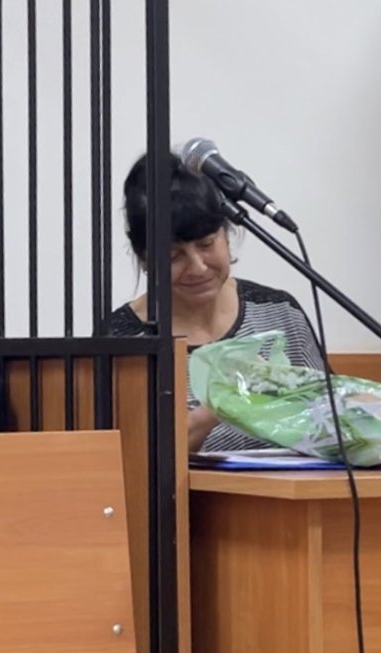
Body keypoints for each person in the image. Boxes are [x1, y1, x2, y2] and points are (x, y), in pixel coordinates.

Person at [107, 152, 324, 453]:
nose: (197, 267)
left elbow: (332, 423)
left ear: (227, 235)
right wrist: (219, 402)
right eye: (173, 255)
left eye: (207, 244)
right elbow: (133, 459)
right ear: (144, 259)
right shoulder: (124, 339)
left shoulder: (277, 311)